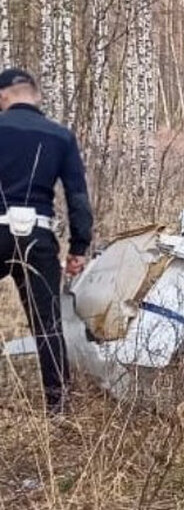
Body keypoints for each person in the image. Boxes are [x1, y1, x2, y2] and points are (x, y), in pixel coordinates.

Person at [0, 68, 92, 415]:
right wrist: (79, 248)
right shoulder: (60, 137)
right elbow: (77, 198)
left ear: (3, 97)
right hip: (38, 237)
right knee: (48, 326)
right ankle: (58, 408)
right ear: (35, 95)